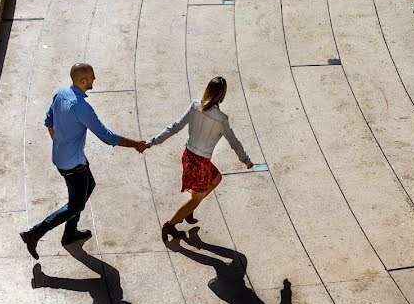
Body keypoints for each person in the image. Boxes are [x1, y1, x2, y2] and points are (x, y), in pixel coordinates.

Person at [20, 63, 147, 259]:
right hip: (73, 165)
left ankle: (70, 232)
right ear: (83, 81)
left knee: (89, 187)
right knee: (76, 205)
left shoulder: (61, 94)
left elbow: (49, 122)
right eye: (92, 76)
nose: (95, 79)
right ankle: (35, 233)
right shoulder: (81, 107)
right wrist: (136, 144)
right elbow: (107, 137)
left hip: (66, 157)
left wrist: (62, 144)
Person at [147, 77, 252, 242]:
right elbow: (233, 141)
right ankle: (170, 225)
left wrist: (153, 141)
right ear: (222, 96)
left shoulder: (195, 106)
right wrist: (245, 160)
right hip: (200, 163)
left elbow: (174, 127)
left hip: (189, 156)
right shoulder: (221, 119)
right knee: (196, 198)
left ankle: (188, 210)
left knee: (216, 178)